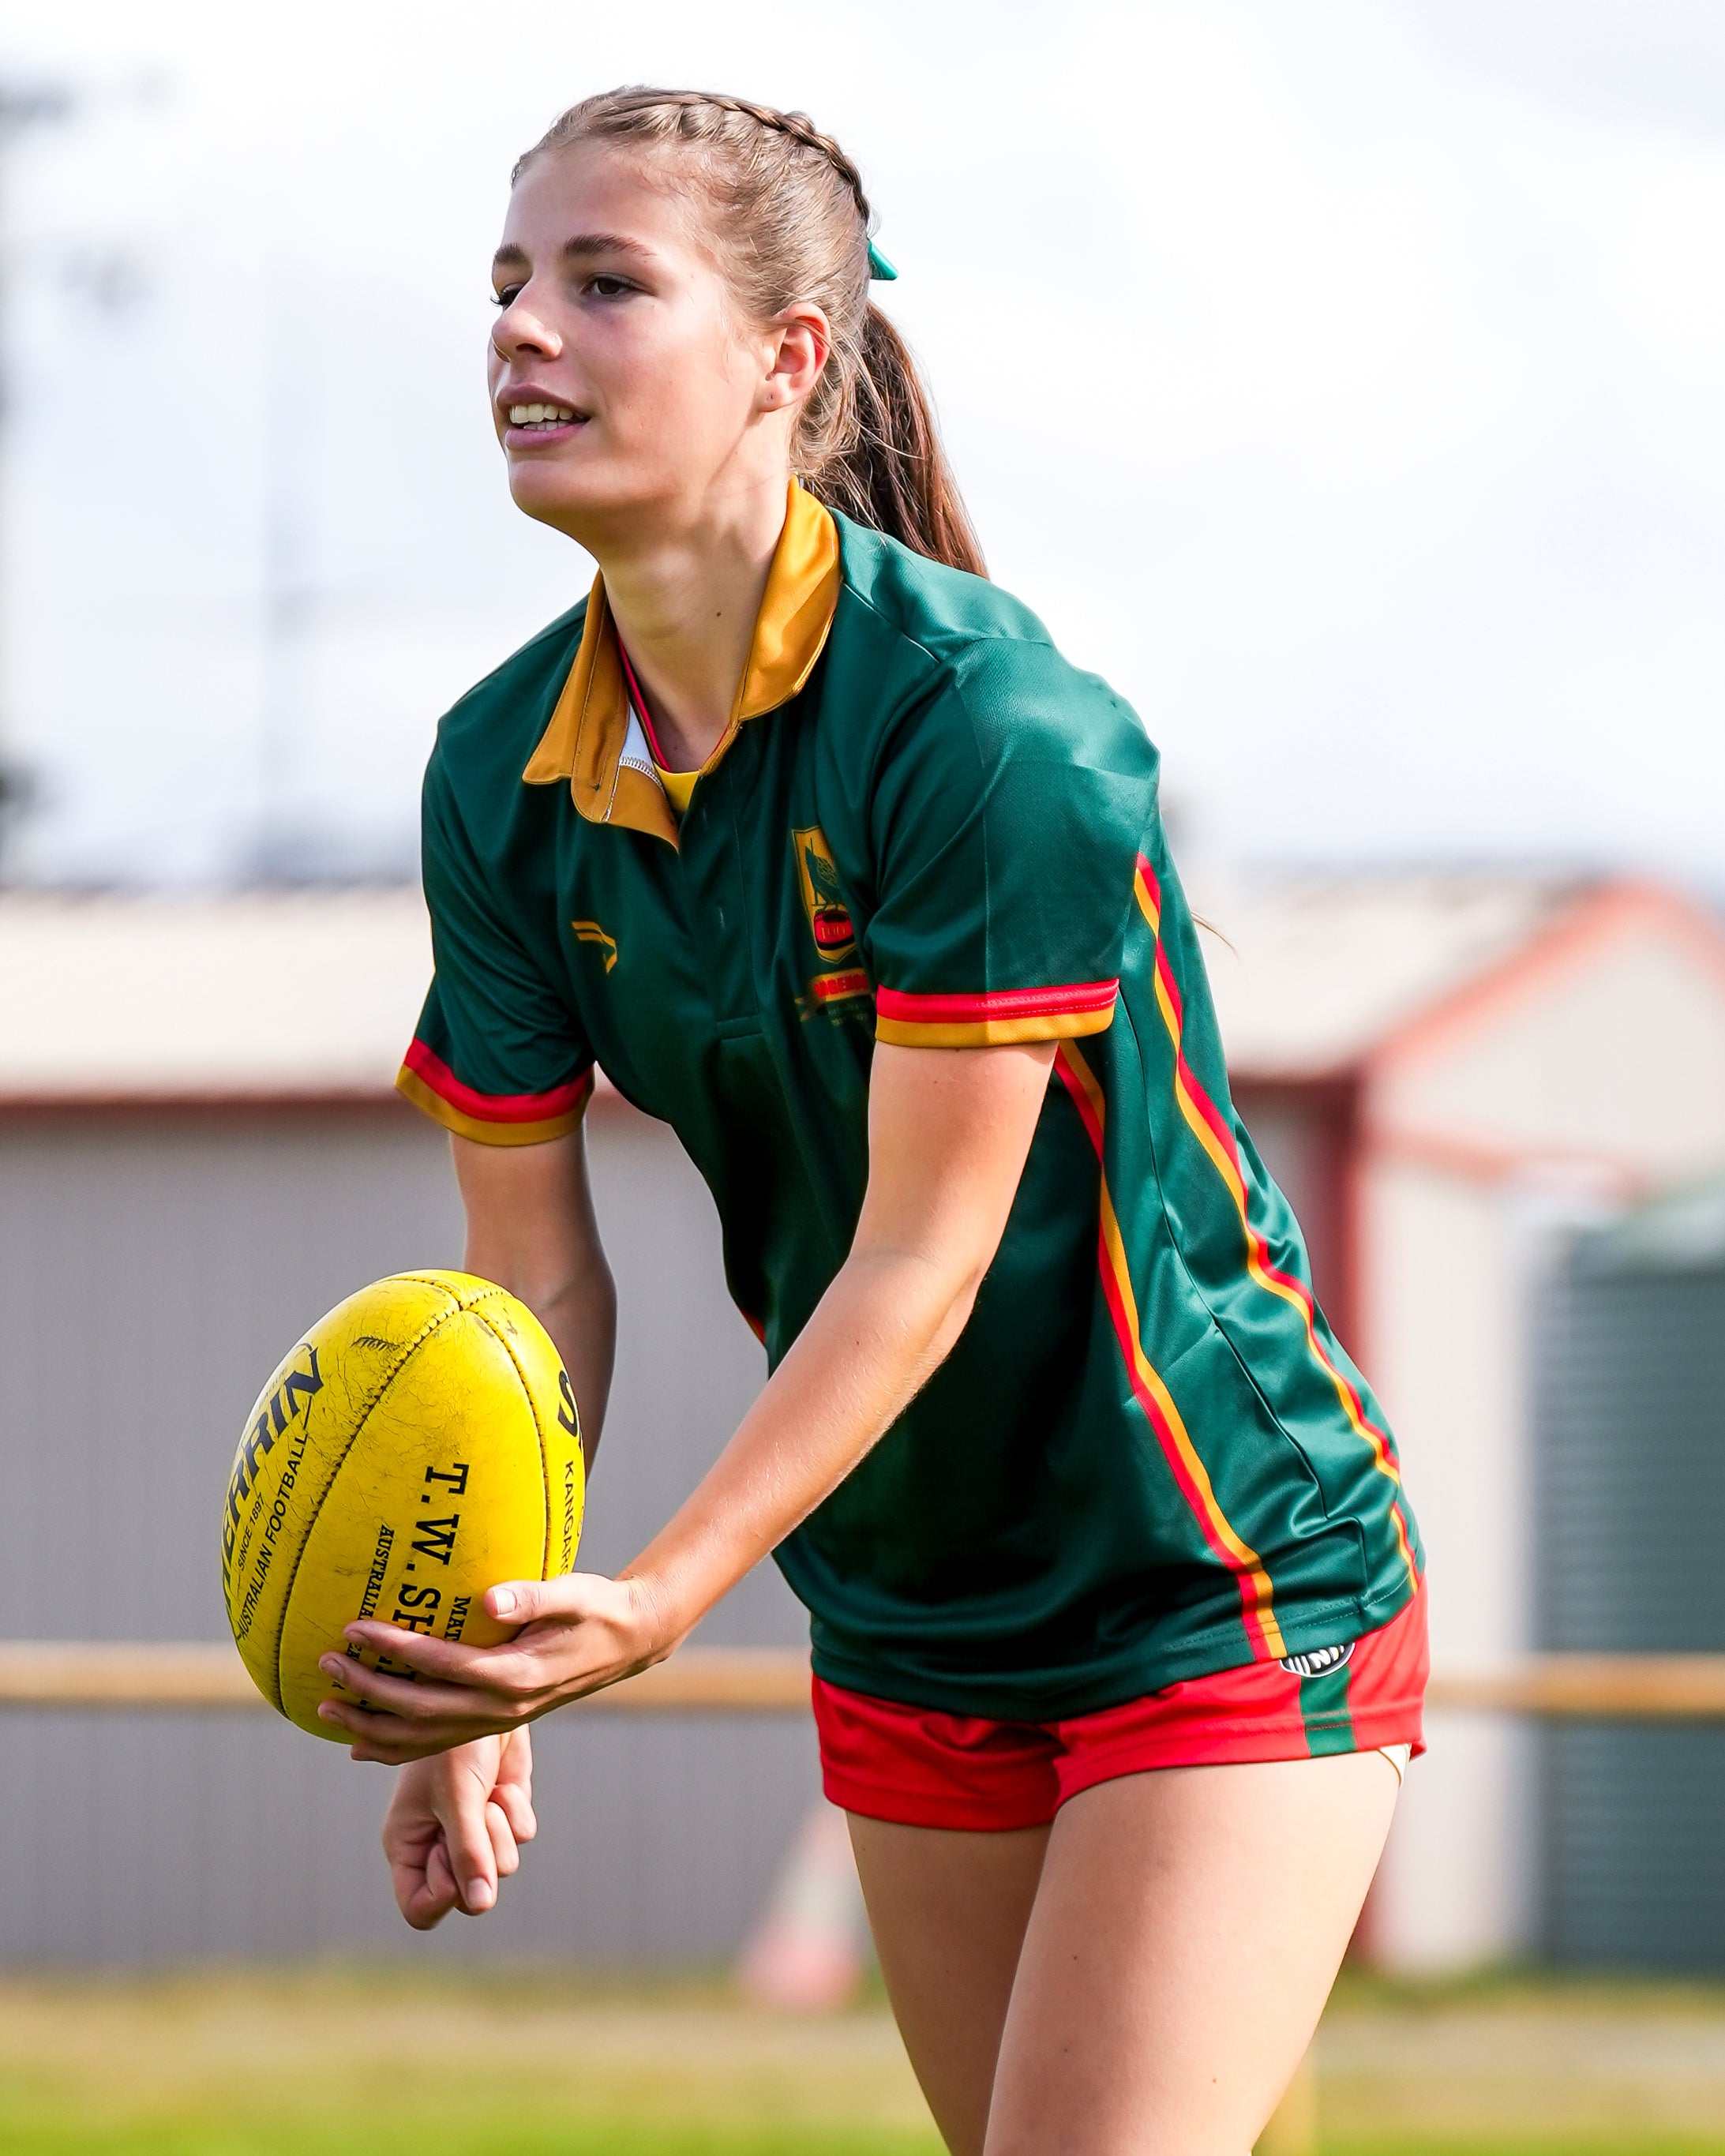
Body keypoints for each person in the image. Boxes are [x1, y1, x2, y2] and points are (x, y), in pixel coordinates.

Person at [320, 86, 1428, 2156]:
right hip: (909, 1605)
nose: (517, 331)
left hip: (1208, 1564)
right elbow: (529, 1280)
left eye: (600, 281)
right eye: (501, 282)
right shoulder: (494, 774)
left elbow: (919, 1259)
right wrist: (494, 1638)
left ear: (788, 358)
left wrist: (653, 1597)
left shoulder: (985, 727)